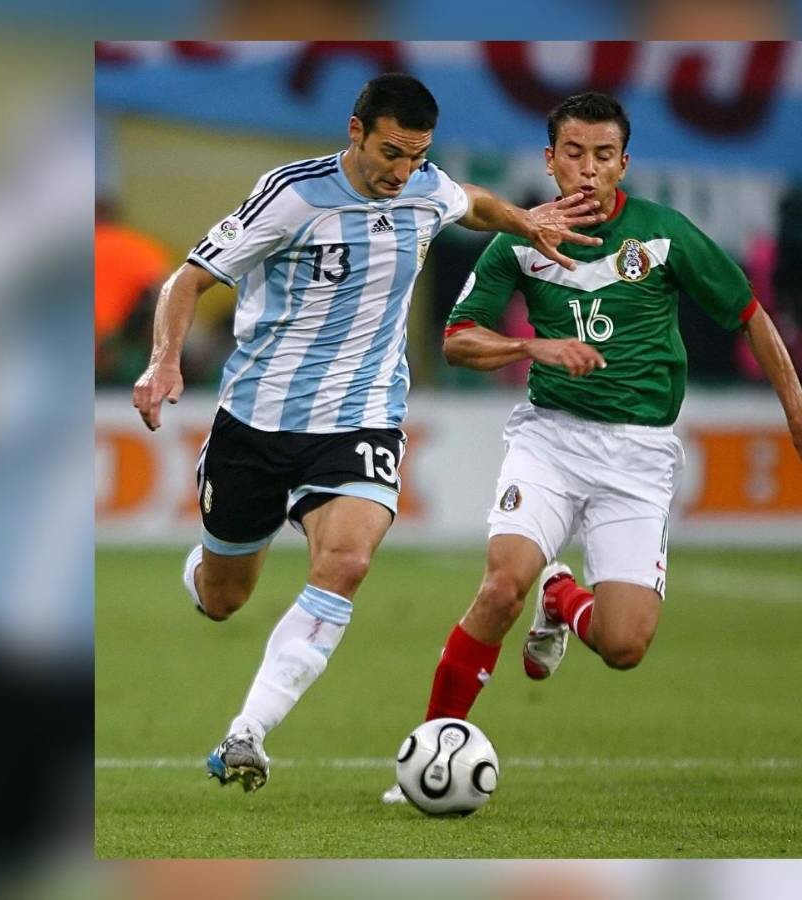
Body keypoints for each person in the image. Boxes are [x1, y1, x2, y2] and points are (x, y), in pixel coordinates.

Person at [131, 73, 605, 793]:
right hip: (258, 421)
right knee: (224, 597)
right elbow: (187, 280)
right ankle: (203, 567)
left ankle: (246, 732)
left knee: (347, 561)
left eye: (417, 156)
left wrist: (524, 221)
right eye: (391, 153)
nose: (402, 172)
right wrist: (165, 360)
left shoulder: (423, 186)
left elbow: (468, 202)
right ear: (355, 132)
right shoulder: (291, 195)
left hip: (362, 416)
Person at [383, 91, 802, 803]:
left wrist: (800, 417)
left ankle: (563, 597)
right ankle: (432, 751)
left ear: (624, 162)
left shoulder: (663, 235)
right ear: (550, 160)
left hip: (638, 455)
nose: (589, 170)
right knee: (502, 581)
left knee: (625, 645)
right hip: (550, 439)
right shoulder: (518, 241)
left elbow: (750, 316)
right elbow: (457, 340)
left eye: (604, 156)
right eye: (574, 154)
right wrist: (536, 346)